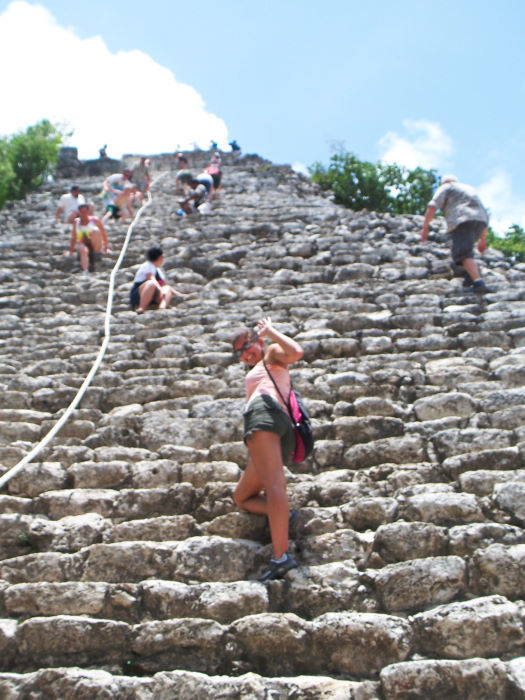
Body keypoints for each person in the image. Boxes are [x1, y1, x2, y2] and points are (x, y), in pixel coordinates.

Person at [232, 316, 303, 581]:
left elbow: (295, 352)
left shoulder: (271, 354)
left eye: (247, 346)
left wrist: (272, 332)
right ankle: (284, 514)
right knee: (242, 496)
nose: (244, 354)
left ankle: (281, 556)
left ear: (258, 342)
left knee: (274, 487)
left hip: (265, 417)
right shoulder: (262, 368)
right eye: (238, 352)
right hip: (271, 425)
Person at [421, 174, 490, 293]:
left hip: (463, 219)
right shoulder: (468, 189)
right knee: (463, 250)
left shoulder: (447, 187)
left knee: (463, 254)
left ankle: (478, 282)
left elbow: (432, 206)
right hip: (481, 221)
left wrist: (425, 228)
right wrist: (482, 239)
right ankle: (470, 276)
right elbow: (480, 210)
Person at [129, 246, 188, 313]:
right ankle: (141, 308)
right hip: (139, 295)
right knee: (151, 283)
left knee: (167, 288)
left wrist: (179, 294)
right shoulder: (147, 266)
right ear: (160, 257)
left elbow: (162, 284)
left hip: (154, 295)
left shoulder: (158, 271)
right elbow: (151, 278)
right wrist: (160, 289)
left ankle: (162, 308)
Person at [68, 203, 110, 273]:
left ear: (88, 212)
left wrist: (106, 247)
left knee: (96, 231)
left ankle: (96, 253)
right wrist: (71, 251)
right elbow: (74, 237)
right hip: (83, 243)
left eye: (85, 212)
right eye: (81, 212)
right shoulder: (76, 222)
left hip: (95, 243)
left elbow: (103, 233)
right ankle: (85, 270)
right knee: (83, 249)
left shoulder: (95, 220)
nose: (83, 214)